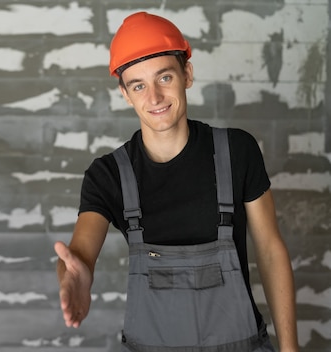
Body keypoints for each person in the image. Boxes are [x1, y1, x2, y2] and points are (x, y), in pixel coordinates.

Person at [54, 11, 298, 351]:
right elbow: (80, 252)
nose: (153, 97)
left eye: (164, 78)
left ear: (187, 74)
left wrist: (290, 349)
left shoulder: (237, 151)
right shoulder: (108, 174)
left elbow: (271, 251)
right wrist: (73, 276)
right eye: (138, 85)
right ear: (125, 93)